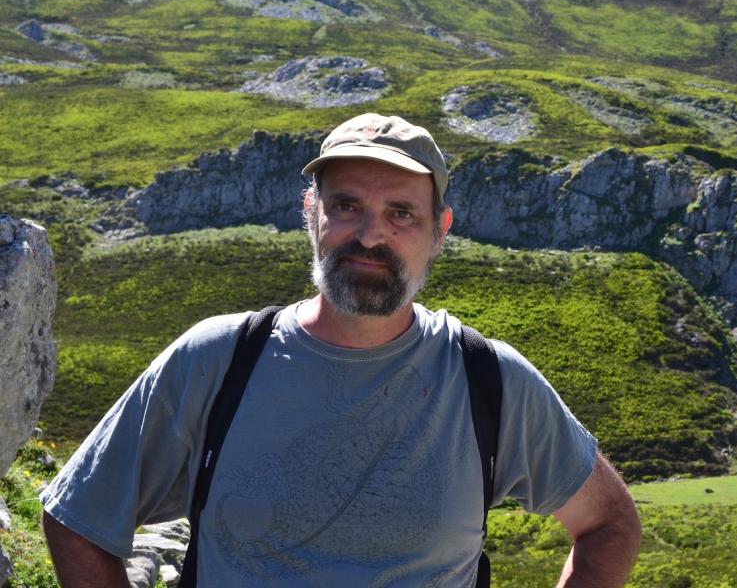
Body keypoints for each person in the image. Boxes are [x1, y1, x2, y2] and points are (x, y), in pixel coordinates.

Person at [40, 113, 642, 587]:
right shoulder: (219, 358)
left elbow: (610, 524)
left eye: (401, 213)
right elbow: (76, 515)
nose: (370, 235)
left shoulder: (491, 379)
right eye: (346, 205)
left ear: (440, 231)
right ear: (312, 215)